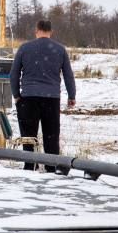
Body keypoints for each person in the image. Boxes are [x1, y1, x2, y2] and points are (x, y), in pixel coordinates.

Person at [10, 19, 76, 171]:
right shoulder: (60, 49)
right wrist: (71, 96)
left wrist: (17, 95)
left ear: (36, 30)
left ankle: (30, 165)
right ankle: (51, 167)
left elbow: (14, 74)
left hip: (28, 98)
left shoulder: (24, 48)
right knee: (51, 136)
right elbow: (68, 75)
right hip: (51, 99)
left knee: (28, 136)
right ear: (51, 31)